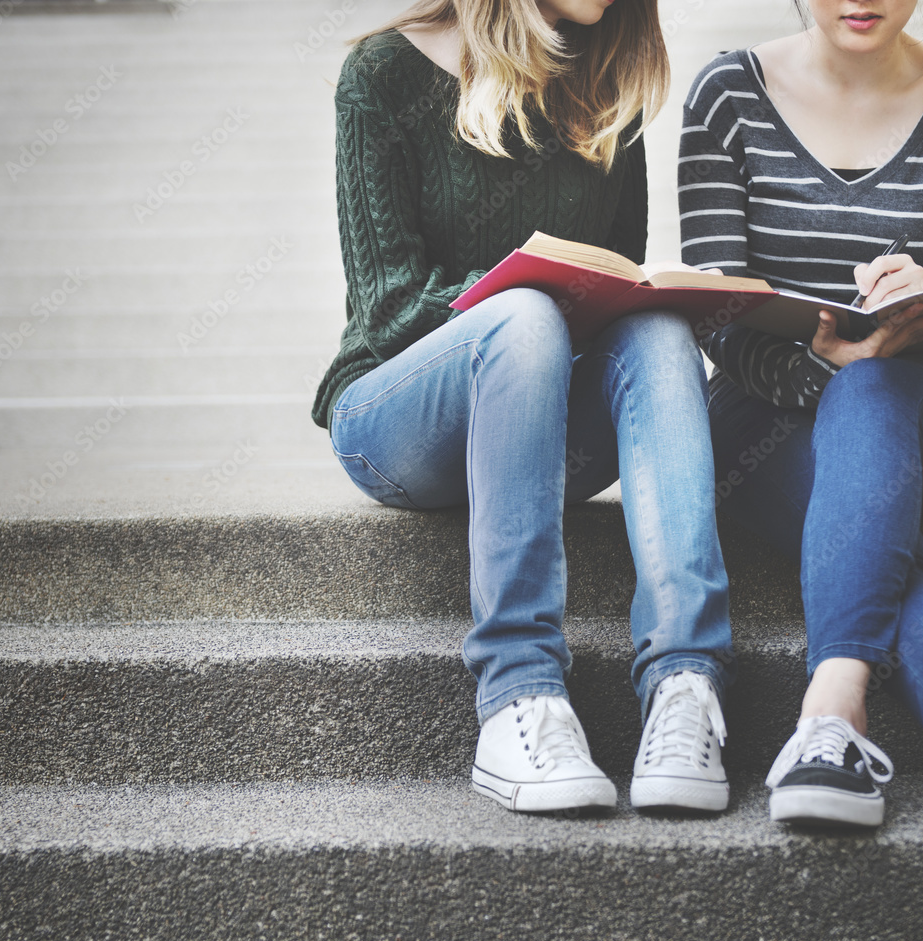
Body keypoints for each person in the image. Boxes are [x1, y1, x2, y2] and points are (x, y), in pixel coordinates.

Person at [312, 0, 735, 814]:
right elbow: (389, 306)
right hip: (395, 418)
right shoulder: (385, 76)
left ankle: (687, 687)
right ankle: (518, 695)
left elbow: (620, 275)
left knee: (654, 323)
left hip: (537, 417)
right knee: (526, 317)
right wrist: (522, 296)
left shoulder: (609, 78)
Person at [679, 0, 923, 827]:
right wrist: (813, 369)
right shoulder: (728, 93)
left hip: (920, 417)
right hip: (759, 426)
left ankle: (829, 724)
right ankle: (837, 718)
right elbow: (711, 310)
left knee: (872, 390)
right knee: (859, 424)